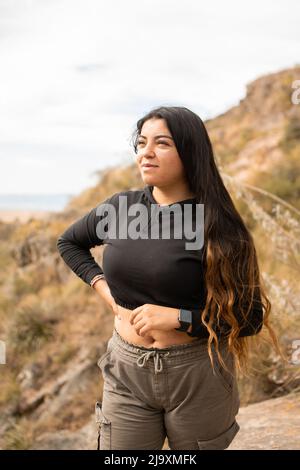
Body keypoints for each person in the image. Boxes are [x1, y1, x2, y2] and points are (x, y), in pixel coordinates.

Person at [56, 106, 280, 450]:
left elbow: (250, 318)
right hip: (127, 369)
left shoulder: (217, 225)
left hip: (198, 374)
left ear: (190, 152)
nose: (146, 152)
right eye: (142, 142)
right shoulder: (121, 208)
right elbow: (70, 242)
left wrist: (180, 318)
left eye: (162, 143)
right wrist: (108, 295)